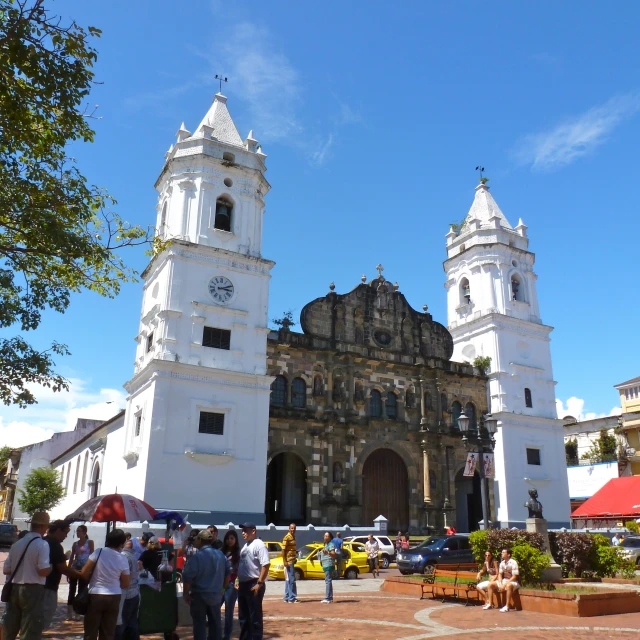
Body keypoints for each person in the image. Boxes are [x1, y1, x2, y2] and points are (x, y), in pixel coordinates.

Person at [2, 511, 52, 640]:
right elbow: (43, 571)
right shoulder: (43, 544)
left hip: (15, 588)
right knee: (30, 629)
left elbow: (6, 570)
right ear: (42, 527)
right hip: (33, 589)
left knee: (11, 626)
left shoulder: (17, 544)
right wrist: (50, 568)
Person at [80, 528, 130, 640]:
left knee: (90, 632)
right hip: (114, 597)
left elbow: (84, 573)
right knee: (108, 633)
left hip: (95, 595)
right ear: (121, 544)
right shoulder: (123, 559)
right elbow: (126, 583)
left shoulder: (98, 552)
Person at [182, 530, 229, 640]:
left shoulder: (197, 557)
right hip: (215, 596)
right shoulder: (221, 555)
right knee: (215, 625)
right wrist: (223, 588)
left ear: (200, 540)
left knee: (199, 626)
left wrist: (185, 594)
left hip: (199, 596)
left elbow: (187, 577)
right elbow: (228, 573)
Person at [43, 520, 81, 630]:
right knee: (43, 619)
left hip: (39, 585)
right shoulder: (55, 545)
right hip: (48, 587)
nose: (65, 537)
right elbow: (63, 568)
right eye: (65, 533)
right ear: (58, 530)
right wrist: (81, 574)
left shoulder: (43, 541)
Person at [237, 522, 270, 639]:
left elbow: (266, 564)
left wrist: (259, 583)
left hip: (253, 583)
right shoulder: (245, 547)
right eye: (242, 531)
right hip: (243, 585)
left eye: (246, 530)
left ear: (253, 531)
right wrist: (238, 579)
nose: (243, 533)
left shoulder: (259, 544)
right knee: (244, 617)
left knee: (254, 617)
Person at [67, 524, 94, 620]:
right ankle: (69, 612)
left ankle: (78, 612)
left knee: (81, 590)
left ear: (84, 532)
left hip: (84, 569)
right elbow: (72, 557)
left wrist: (91, 569)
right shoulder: (75, 544)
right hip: (75, 568)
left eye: (79, 531)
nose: (77, 533)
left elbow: (92, 556)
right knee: (72, 590)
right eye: (77, 531)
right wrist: (68, 569)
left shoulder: (89, 542)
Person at [115, 540, 140, 640]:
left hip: (127, 593)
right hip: (135, 593)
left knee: (122, 621)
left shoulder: (124, 556)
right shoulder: (133, 556)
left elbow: (123, 577)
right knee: (132, 622)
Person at [486, 548, 520, 613]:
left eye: (503, 552)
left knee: (509, 585)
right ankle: (490, 604)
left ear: (508, 554)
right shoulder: (502, 563)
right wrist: (500, 583)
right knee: (490, 584)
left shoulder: (513, 562)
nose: (502, 553)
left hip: (513, 581)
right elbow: (500, 574)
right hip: (504, 581)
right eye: (502, 552)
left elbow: (515, 576)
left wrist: (504, 585)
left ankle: (507, 606)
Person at [221, 530, 241, 640]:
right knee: (215, 608)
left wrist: (237, 580)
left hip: (231, 585)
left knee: (229, 611)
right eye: (228, 538)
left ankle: (227, 636)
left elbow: (240, 569)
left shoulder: (238, 553)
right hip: (220, 584)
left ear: (235, 540)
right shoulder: (221, 552)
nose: (229, 540)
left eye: (232, 538)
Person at [281, 523, 299, 603]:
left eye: (294, 528)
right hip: (289, 561)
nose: (293, 530)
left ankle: (287, 596)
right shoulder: (287, 537)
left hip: (292, 560)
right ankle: (292, 597)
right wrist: (284, 561)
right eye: (291, 528)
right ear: (289, 529)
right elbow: (283, 550)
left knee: (288, 579)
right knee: (292, 579)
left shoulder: (293, 537)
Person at [319, 532, 337, 603]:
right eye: (325, 536)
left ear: (330, 538)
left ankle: (327, 598)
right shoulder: (326, 545)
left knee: (328, 581)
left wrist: (328, 552)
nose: (325, 537)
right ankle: (330, 597)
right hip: (325, 564)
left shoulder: (331, 544)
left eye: (327, 536)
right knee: (328, 580)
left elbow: (333, 554)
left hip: (328, 564)